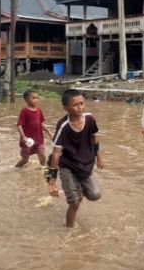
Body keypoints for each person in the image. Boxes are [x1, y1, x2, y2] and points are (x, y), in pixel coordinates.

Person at [44, 89, 104, 228]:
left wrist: (99, 158)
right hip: (67, 165)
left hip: (85, 163)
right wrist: (51, 181)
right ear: (66, 108)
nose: (80, 107)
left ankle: (78, 189)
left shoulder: (90, 119)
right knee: (75, 202)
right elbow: (56, 153)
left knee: (95, 195)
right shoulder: (63, 125)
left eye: (82, 103)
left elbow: (95, 137)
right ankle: (69, 230)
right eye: (76, 105)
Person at [15, 89, 53, 168]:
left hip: (39, 139)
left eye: (37, 98)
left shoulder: (39, 110)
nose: (36, 100)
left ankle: (42, 171)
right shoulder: (24, 111)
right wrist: (23, 136)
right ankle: (15, 169)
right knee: (25, 159)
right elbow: (19, 125)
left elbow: (41, 123)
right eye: (33, 98)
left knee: (42, 156)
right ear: (26, 100)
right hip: (28, 140)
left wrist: (48, 131)